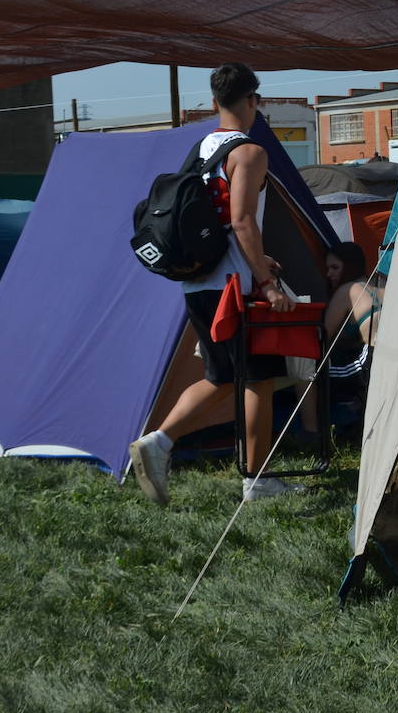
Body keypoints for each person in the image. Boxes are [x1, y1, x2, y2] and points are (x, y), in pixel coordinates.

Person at [129, 62, 297, 506]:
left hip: (198, 282)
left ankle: (158, 443)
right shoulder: (249, 152)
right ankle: (257, 481)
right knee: (259, 378)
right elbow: (242, 222)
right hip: (234, 288)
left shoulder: (201, 148)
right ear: (253, 102)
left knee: (221, 374)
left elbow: (217, 223)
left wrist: (261, 260)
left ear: (213, 102)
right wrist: (268, 283)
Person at [296, 241, 381, 438]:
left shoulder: (347, 290)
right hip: (381, 359)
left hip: (367, 364)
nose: (329, 274)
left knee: (301, 364)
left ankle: (312, 434)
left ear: (350, 266)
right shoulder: (375, 286)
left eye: (335, 267)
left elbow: (322, 336)